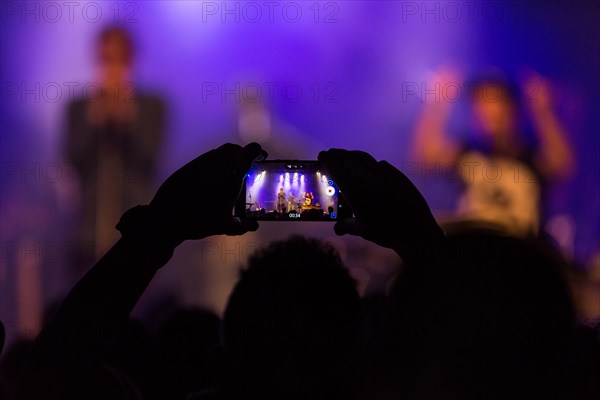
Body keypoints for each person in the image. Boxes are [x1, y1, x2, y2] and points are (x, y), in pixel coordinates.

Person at [412, 67, 575, 236]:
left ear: (511, 109)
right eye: (478, 104)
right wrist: (437, 103)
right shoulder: (468, 152)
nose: (485, 111)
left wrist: (543, 111)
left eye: (492, 101)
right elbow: (426, 158)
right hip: (473, 248)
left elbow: (562, 164)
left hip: (522, 252)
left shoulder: (529, 155)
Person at [66, 26, 166, 268]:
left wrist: (128, 118)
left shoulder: (152, 105)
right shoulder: (79, 107)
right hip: (88, 231)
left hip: (137, 229)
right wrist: (94, 120)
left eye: (118, 60)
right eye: (104, 60)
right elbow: (72, 161)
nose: (111, 69)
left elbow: (151, 159)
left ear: (131, 62)